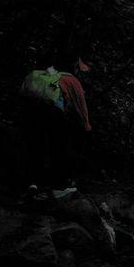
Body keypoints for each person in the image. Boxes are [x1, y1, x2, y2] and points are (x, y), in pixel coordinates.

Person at [20, 58, 91, 192]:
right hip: (52, 111)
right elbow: (81, 107)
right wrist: (86, 126)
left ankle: (33, 182)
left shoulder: (39, 75)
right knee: (58, 146)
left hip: (30, 110)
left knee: (35, 146)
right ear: (74, 69)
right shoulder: (71, 80)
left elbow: (22, 93)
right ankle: (60, 183)